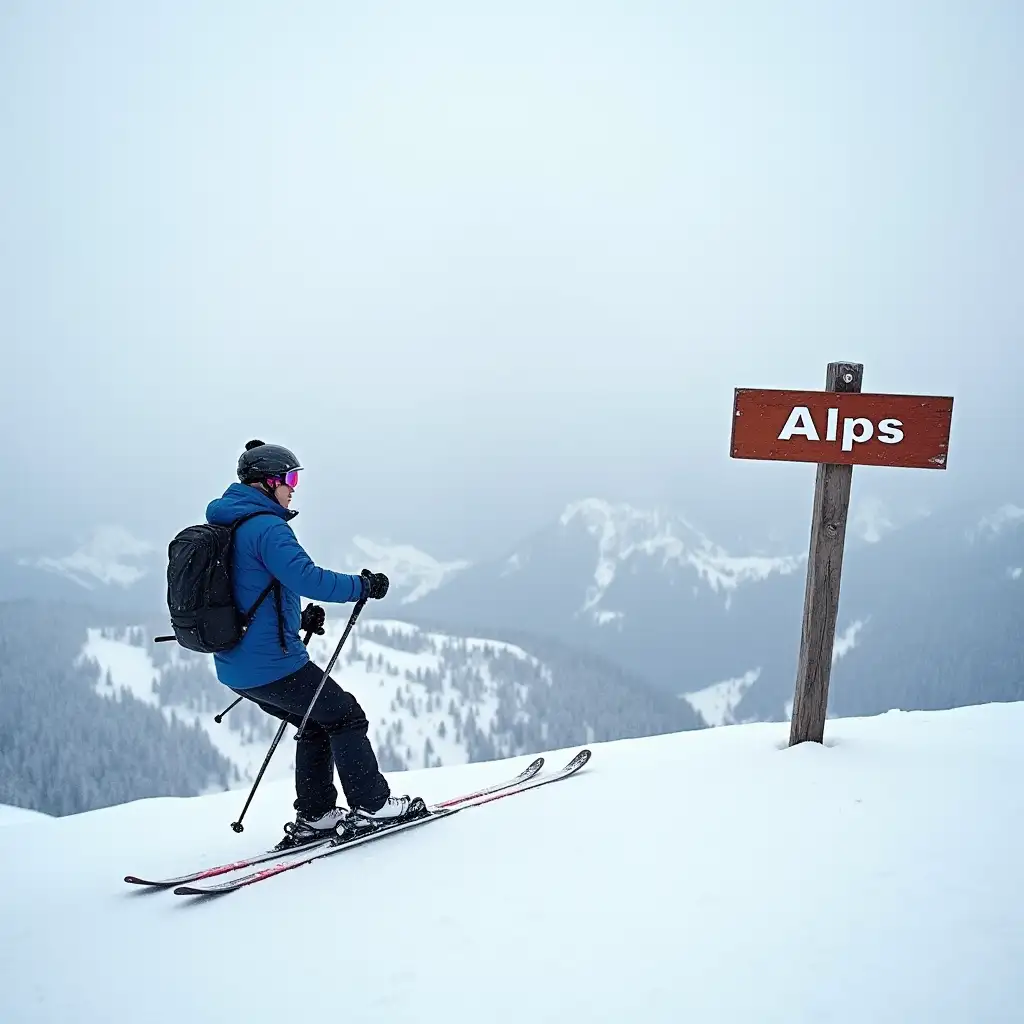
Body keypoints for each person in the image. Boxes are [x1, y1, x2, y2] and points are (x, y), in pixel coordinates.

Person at [206, 438, 422, 849]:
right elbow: (307, 577)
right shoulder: (267, 527)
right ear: (266, 483)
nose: (293, 486)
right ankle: (372, 806)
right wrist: (363, 586)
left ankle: (318, 816)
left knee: (317, 720)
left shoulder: (228, 524)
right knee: (345, 716)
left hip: (235, 666)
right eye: (288, 478)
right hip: (271, 663)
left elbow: (246, 587)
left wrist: (294, 617)